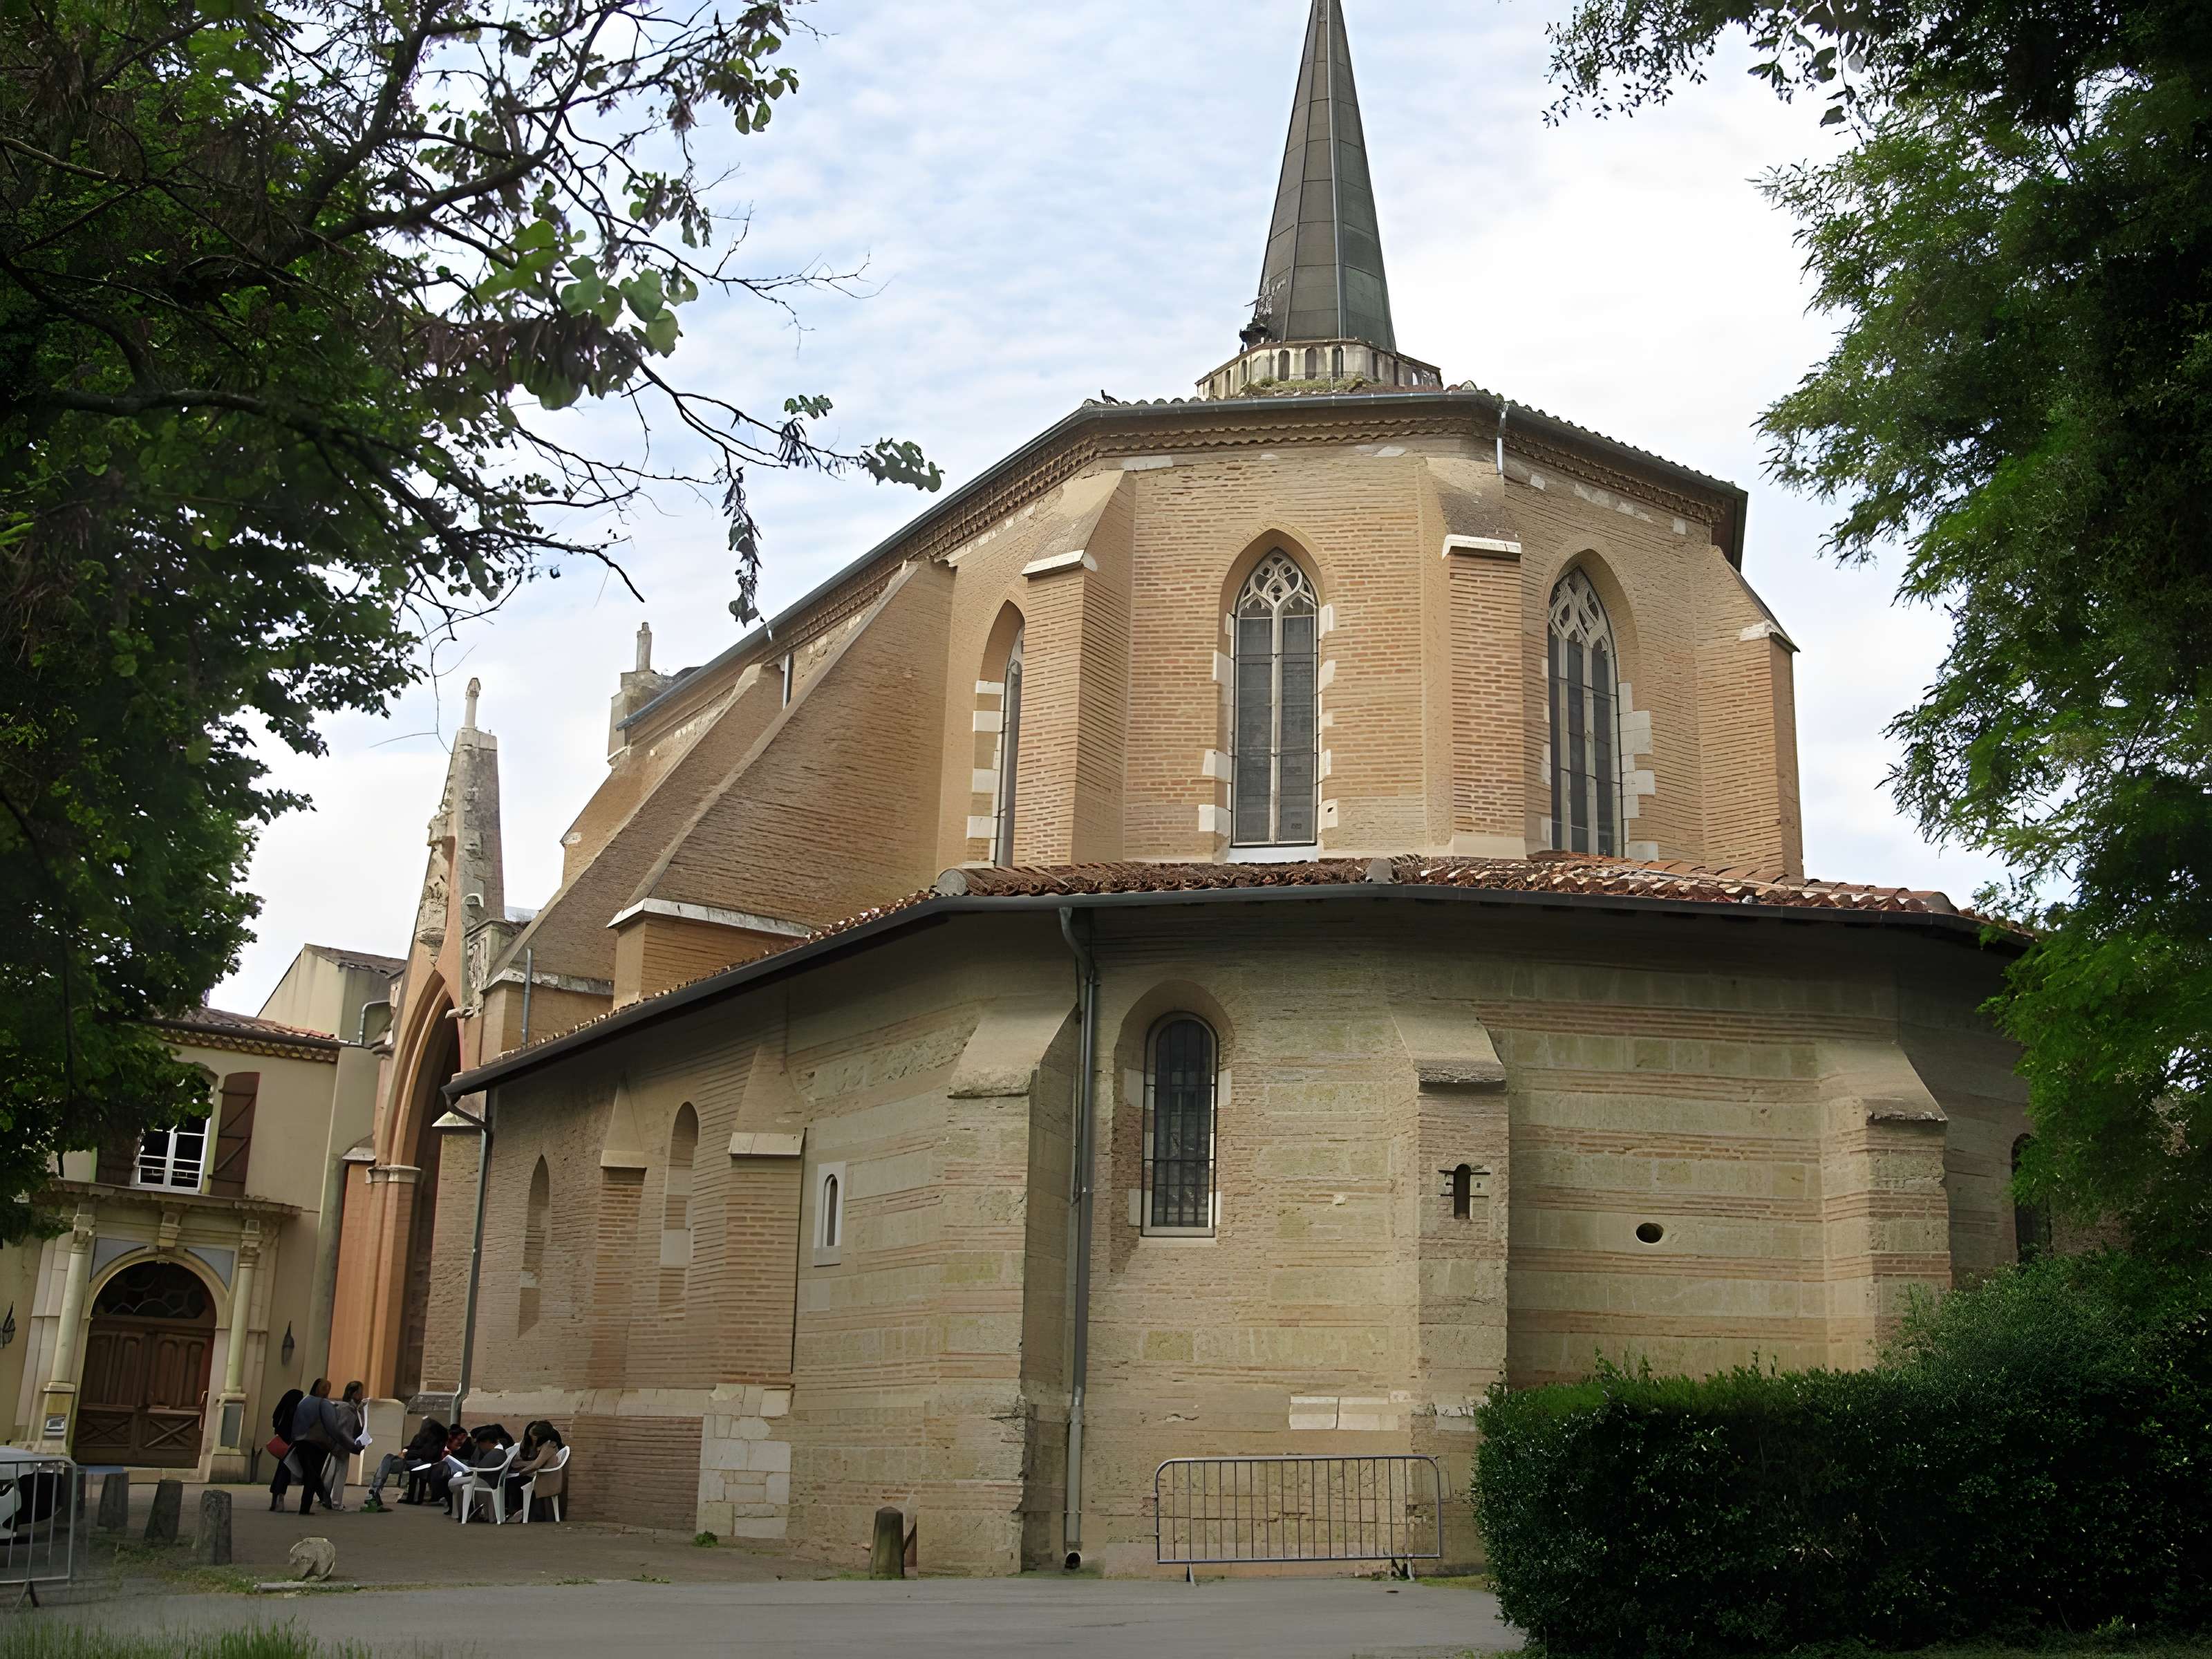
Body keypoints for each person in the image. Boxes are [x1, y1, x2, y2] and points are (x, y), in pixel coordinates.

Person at [288, 1377, 363, 1517]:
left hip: (300, 1442)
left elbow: (295, 1421)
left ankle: (323, 1499)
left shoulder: (304, 1401)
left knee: (313, 1474)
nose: (327, 1391)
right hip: (317, 1444)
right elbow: (334, 1428)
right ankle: (310, 1506)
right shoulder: (324, 1404)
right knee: (313, 1475)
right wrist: (352, 1446)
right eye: (325, 1388)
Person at [363, 1418, 447, 1511]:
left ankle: (374, 1492)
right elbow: (410, 1448)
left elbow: (427, 1455)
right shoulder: (418, 1437)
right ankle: (375, 1491)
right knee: (388, 1458)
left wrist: (409, 1454)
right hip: (410, 1462)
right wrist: (404, 1452)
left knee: (390, 1460)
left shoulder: (435, 1441)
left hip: (423, 1464)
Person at [442, 1425, 512, 1519]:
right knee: (456, 1483)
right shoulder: (498, 1452)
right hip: (486, 1479)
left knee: (453, 1482)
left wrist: (468, 1471)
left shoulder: (495, 1453)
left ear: (486, 1442)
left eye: (480, 1445)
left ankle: (460, 1512)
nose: (480, 1448)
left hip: (485, 1482)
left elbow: (482, 1469)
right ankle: (460, 1512)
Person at [506, 1421, 565, 1519]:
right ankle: (515, 1511)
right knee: (514, 1481)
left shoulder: (549, 1446)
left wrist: (520, 1473)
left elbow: (536, 1465)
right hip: (540, 1475)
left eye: (535, 1437)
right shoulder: (545, 1445)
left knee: (513, 1481)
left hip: (545, 1478)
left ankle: (516, 1512)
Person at [324, 1381, 368, 1511]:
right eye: (359, 1393)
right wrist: (353, 1445)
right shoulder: (347, 1409)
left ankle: (325, 1498)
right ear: (352, 1393)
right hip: (342, 1444)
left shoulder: (349, 1408)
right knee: (340, 1473)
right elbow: (344, 1430)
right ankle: (336, 1502)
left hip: (339, 1443)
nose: (361, 1395)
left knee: (331, 1472)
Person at [266, 1387, 304, 1512]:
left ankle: (274, 1499)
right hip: (290, 1446)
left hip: (282, 1444)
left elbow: (276, 1426)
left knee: (280, 1471)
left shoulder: (281, 1411)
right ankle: (280, 1500)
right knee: (284, 1472)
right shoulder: (294, 1412)